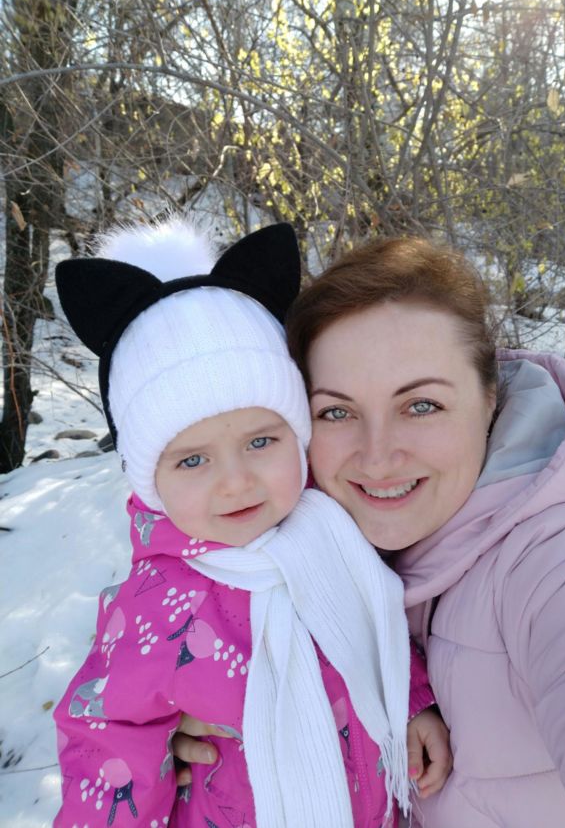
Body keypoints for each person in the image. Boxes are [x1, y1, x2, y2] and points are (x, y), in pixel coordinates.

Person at [176, 234, 565, 828]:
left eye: (421, 405)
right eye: (336, 411)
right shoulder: (302, 551)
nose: (378, 457)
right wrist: (172, 728)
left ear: (489, 398)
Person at [52, 219, 451, 828]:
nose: (236, 482)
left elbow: (374, 630)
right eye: (193, 460)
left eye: (261, 442)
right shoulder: (154, 608)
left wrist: (412, 701)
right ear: (149, 480)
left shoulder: (333, 533)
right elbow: (105, 745)